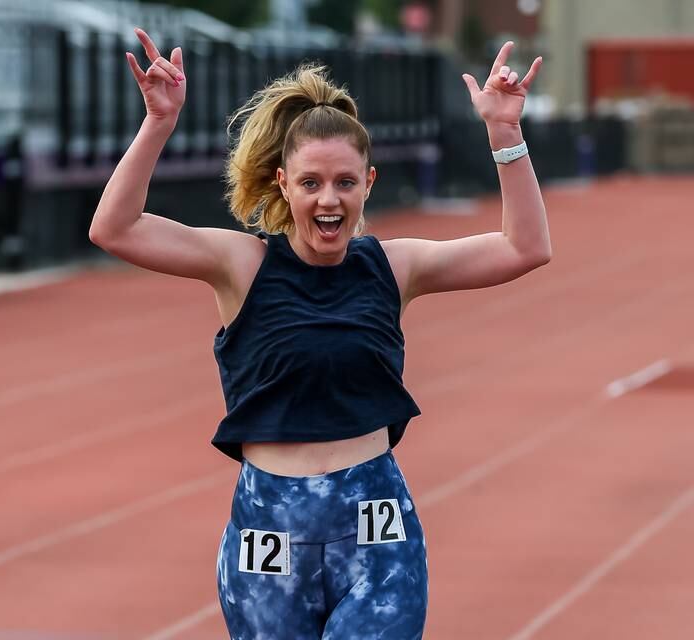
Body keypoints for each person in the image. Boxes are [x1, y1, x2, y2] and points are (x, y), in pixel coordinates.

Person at [90, 27, 550, 640]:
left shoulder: (394, 266)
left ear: (368, 185)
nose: (328, 200)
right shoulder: (242, 265)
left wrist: (506, 135)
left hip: (376, 528)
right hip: (269, 534)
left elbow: (525, 247)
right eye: (310, 183)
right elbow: (115, 229)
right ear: (284, 184)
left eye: (344, 182)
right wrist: (157, 124)